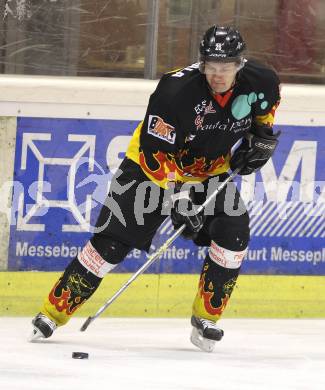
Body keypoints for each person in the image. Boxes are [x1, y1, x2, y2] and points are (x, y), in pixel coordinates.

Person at [30, 25, 281, 352]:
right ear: (202, 64)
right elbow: (155, 153)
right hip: (149, 167)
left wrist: (261, 142)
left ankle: (206, 319)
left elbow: (264, 119)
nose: (218, 75)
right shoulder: (175, 92)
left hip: (209, 171)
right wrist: (178, 198)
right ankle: (53, 311)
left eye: (226, 68)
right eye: (212, 67)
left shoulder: (262, 82)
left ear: (240, 64)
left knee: (234, 231)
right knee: (111, 244)